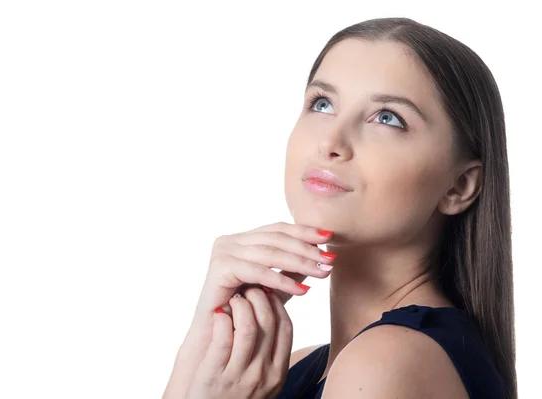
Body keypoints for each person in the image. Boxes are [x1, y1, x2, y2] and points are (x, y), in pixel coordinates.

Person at [162, 17, 516, 399]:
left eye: (387, 118)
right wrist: (201, 344)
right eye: (323, 103)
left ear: (459, 186)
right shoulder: (299, 365)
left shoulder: (387, 363)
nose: (331, 141)